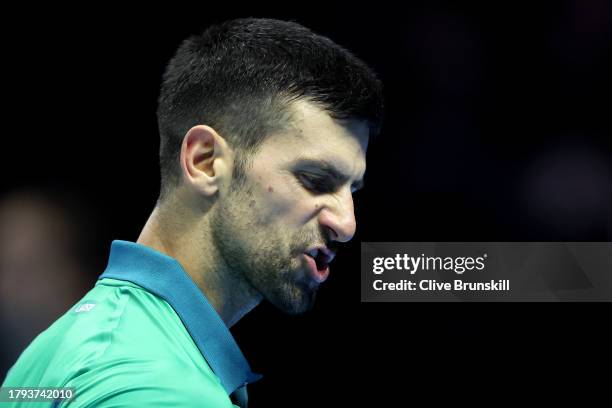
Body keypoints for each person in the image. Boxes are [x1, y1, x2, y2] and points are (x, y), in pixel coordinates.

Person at [1, 18, 383, 407]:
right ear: (204, 161)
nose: (347, 225)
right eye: (315, 180)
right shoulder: (161, 391)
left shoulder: (47, 354)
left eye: (352, 190)